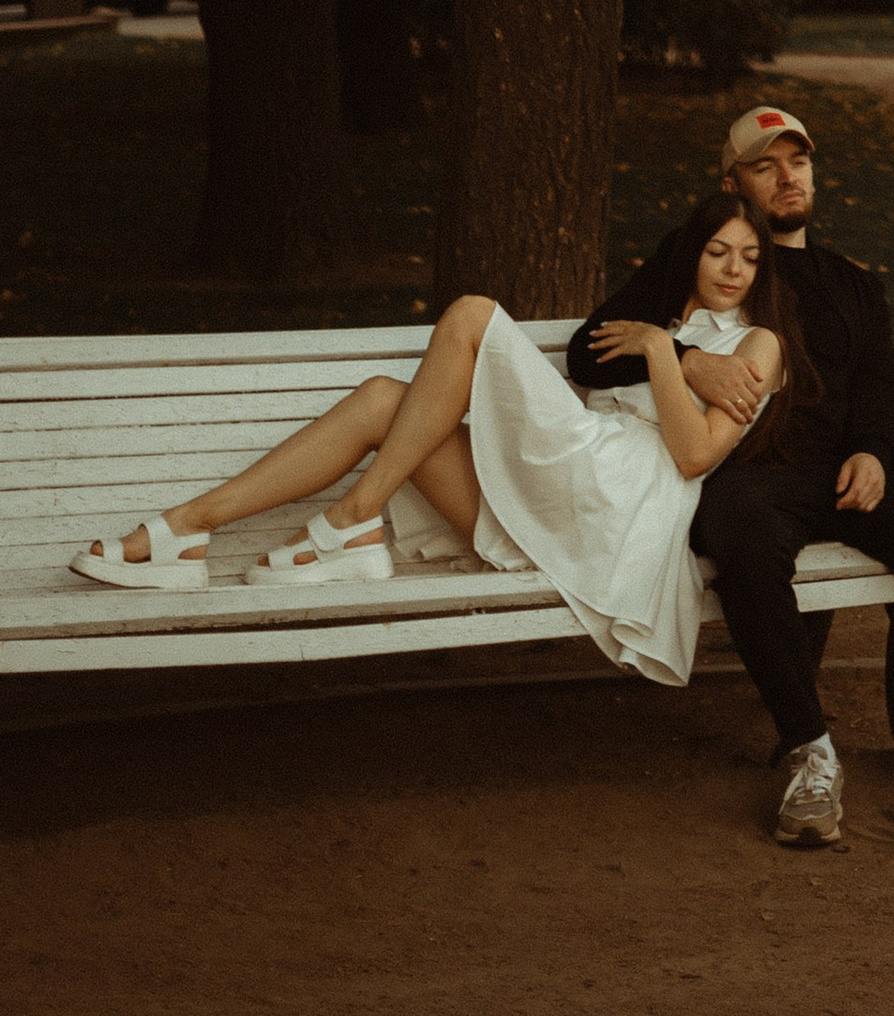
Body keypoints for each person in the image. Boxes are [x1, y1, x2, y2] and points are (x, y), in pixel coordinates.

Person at [571, 100, 894, 852]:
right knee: (744, 540)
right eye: (764, 165)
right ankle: (810, 752)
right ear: (734, 181)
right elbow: (587, 351)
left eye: (796, 161)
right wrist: (687, 358)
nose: (786, 177)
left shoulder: (851, 283)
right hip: (755, 477)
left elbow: (882, 387)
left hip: (846, 477)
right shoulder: (706, 252)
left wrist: (874, 450)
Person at [70, 193, 800, 690]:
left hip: (619, 510)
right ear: (692, 255)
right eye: (717, 251)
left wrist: (662, 352)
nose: (733, 270)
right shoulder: (661, 321)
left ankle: (352, 521)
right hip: (576, 484)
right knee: (384, 401)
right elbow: (589, 353)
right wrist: (667, 344)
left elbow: (696, 456)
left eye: (748, 257)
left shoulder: (758, 344)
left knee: (473, 315)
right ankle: (188, 532)